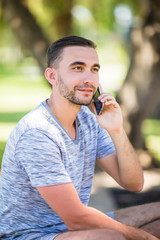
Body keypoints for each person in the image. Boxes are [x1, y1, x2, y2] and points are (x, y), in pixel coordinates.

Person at [0, 35, 159, 240]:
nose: (89, 79)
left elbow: (133, 184)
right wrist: (144, 237)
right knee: (112, 238)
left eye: (94, 69)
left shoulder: (88, 120)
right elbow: (75, 217)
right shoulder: (38, 132)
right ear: (52, 76)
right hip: (30, 235)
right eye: (77, 68)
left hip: (74, 230)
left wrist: (116, 129)